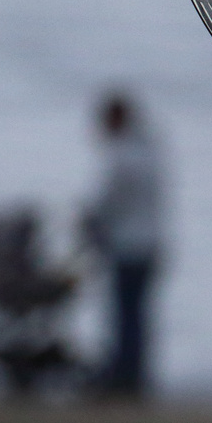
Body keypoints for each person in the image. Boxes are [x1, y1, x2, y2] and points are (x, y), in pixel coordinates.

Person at [79, 91, 165, 399]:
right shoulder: (150, 152)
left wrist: (87, 224)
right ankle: (136, 374)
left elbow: (105, 201)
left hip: (126, 245)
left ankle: (123, 375)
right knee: (139, 315)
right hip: (151, 243)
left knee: (123, 314)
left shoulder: (120, 156)